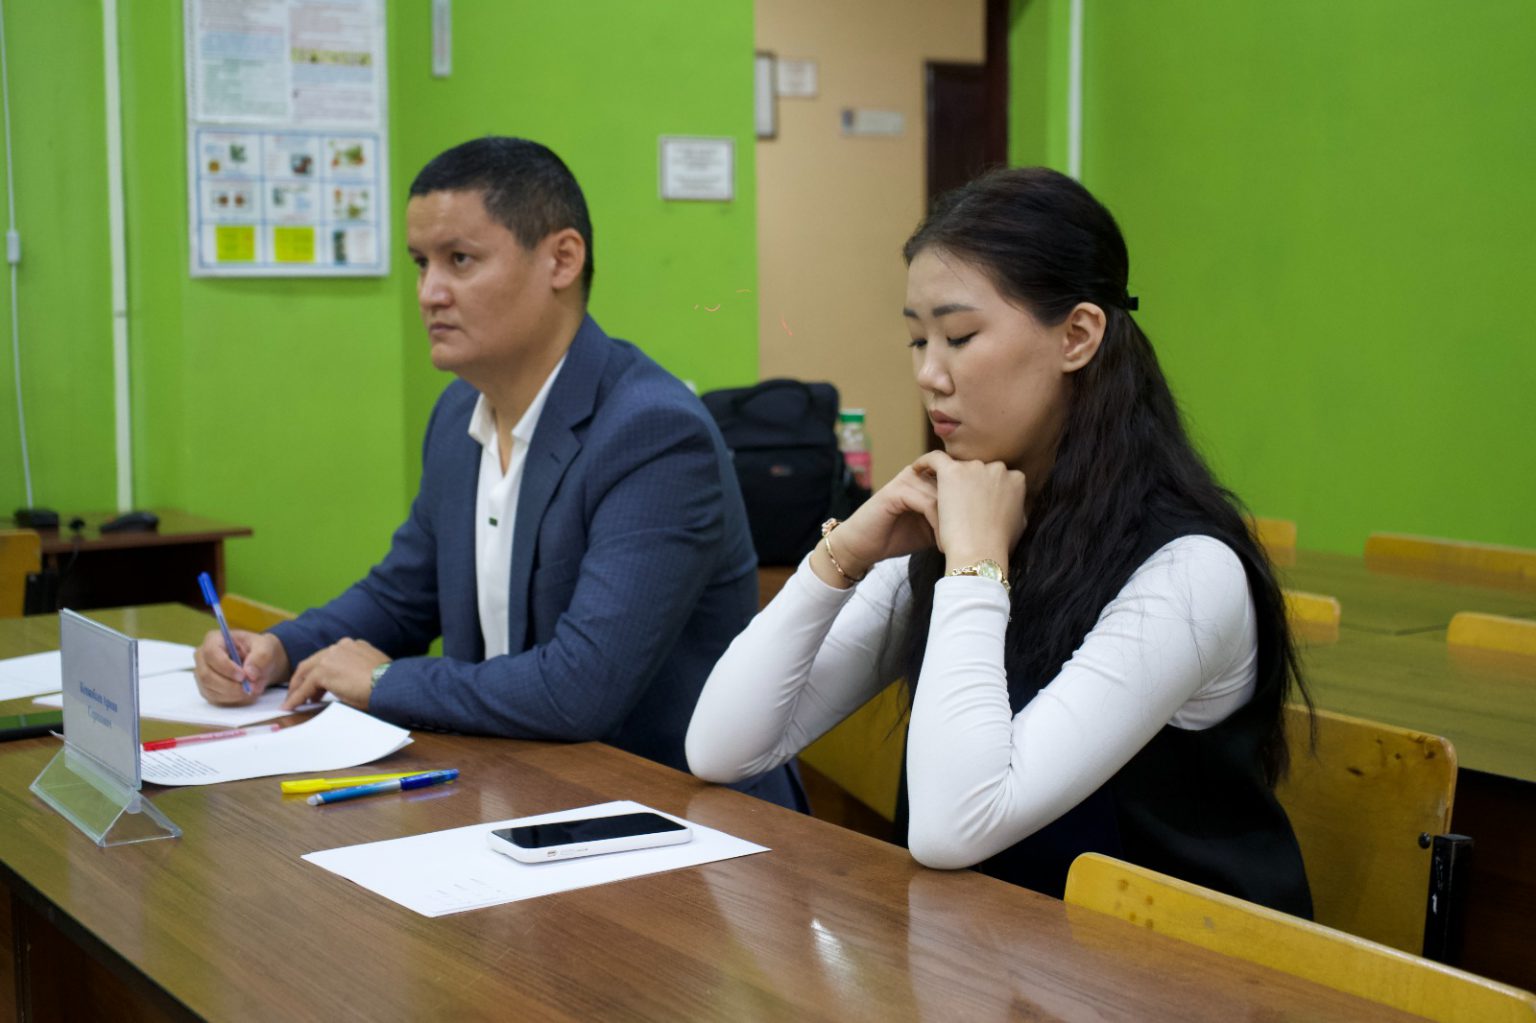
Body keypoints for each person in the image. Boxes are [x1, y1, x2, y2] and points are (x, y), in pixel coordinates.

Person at [686, 166, 1312, 911]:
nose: (929, 373)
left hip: (1174, 963)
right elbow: (722, 747)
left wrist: (976, 567)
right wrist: (842, 554)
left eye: (959, 336)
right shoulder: (960, 523)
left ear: (1077, 336)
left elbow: (953, 828)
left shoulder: (1189, 570)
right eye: (917, 339)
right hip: (986, 948)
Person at [194, 136, 799, 809]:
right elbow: (402, 596)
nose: (429, 293)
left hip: (675, 813)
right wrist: (278, 649)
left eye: (460, 260)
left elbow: (581, 688)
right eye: (421, 263)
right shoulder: (459, 413)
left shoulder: (653, 433)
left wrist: (388, 682)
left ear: (561, 259)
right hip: (521, 786)